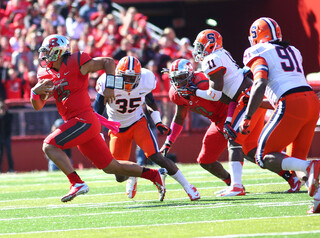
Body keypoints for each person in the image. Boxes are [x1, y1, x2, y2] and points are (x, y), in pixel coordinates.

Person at [31, 34, 167, 203]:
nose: (44, 56)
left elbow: (108, 62)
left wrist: (110, 86)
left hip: (84, 120)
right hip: (77, 123)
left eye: (48, 51)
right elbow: (38, 106)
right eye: (44, 52)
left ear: (60, 52)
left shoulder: (75, 62)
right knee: (112, 167)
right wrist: (34, 92)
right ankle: (154, 175)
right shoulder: (45, 73)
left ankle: (76, 183)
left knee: (49, 145)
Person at [188, 29, 301, 196]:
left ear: (211, 44)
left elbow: (215, 94)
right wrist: (228, 118)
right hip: (247, 98)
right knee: (251, 151)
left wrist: (194, 91)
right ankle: (294, 176)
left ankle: (236, 186)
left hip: (247, 100)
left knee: (234, 140)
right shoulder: (221, 54)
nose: (198, 50)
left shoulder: (212, 60)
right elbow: (228, 96)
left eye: (201, 46)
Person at [239, 17, 320, 213]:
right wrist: (252, 103)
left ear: (256, 35)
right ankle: (318, 198)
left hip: (291, 102)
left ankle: (311, 167)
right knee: (294, 165)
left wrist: (247, 115)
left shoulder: (257, 51)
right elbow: (286, 88)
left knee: (263, 155)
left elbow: (260, 83)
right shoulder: (293, 51)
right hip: (311, 102)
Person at [94, 56, 200, 201]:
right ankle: (135, 173)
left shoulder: (146, 79)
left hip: (138, 122)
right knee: (119, 175)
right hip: (116, 128)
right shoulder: (107, 82)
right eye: (125, 78)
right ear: (118, 75)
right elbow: (96, 112)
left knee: (156, 156)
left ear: (139, 76)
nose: (129, 82)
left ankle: (188, 187)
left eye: (133, 78)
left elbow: (150, 102)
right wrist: (97, 133)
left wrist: (157, 121)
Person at [160, 59, 232, 190]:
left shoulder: (203, 82)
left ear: (190, 75)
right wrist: (168, 143)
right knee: (205, 160)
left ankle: (280, 168)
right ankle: (231, 183)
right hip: (216, 122)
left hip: (230, 116)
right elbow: (179, 117)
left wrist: (232, 118)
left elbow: (230, 99)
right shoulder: (176, 94)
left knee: (247, 151)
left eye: (181, 77)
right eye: (175, 78)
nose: (178, 82)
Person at [0, 100, 14, 173]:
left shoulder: (8, 115)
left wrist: (4, 115)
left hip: (7, 137)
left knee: (9, 153)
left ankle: (11, 169)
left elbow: (9, 123)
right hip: (0, 138)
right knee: (0, 154)